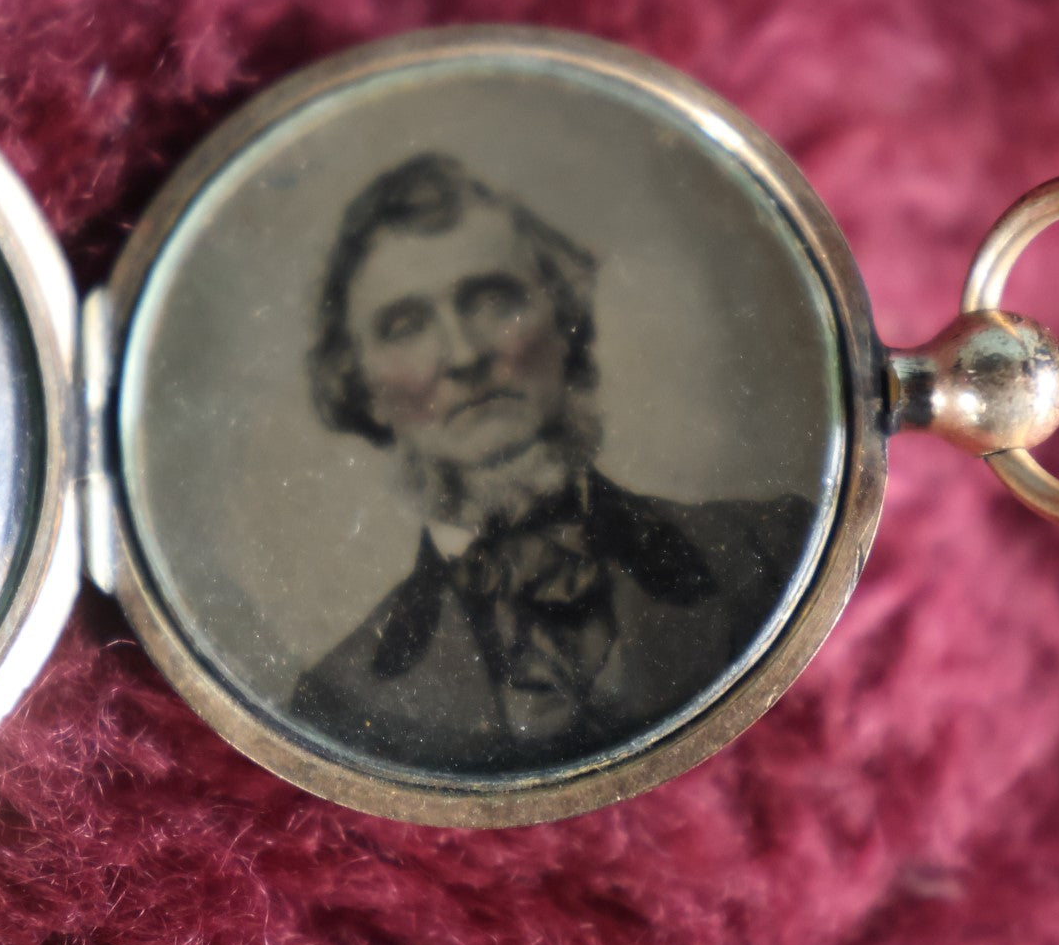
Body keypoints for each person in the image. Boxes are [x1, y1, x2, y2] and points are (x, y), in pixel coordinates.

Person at [290, 153, 814, 773]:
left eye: (491, 300)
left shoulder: (769, 552)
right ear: (360, 385)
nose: (462, 355)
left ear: (563, 317)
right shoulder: (338, 703)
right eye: (405, 325)